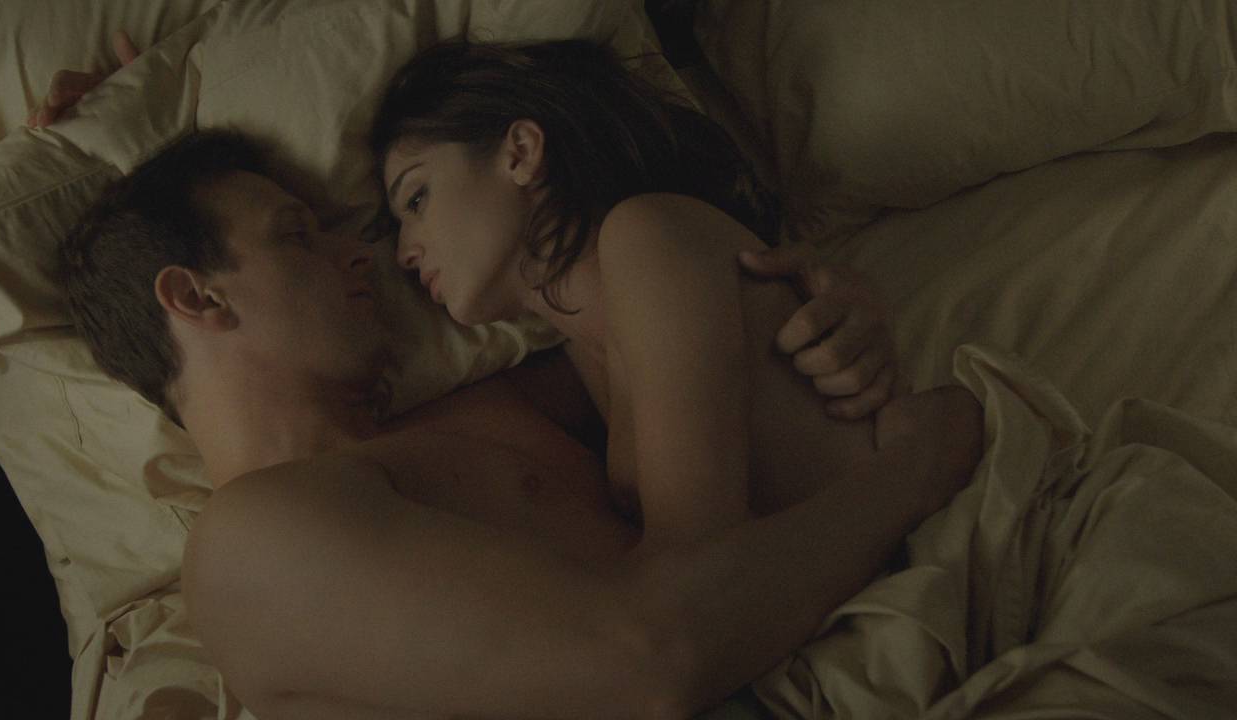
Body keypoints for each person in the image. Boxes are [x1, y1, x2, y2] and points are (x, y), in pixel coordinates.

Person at [48, 39, 982, 720]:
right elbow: (651, 665)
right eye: (298, 235)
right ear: (196, 297)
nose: (364, 254)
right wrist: (914, 468)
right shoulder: (248, 543)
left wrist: (829, 297)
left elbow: (690, 325)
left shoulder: (492, 408)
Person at [372, 39, 977, 550]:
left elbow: (697, 568)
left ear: (521, 153)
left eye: (417, 198)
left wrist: (915, 464)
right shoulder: (579, 346)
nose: (403, 253)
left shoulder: (646, 236)